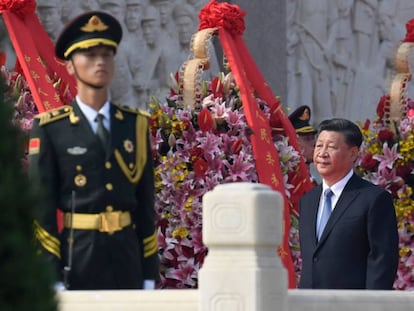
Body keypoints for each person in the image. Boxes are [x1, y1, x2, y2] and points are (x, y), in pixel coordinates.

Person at [28, 11, 159, 290]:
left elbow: (146, 206)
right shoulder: (51, 129)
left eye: (107, 54)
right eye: (89, 54)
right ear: (71, 66)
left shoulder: (134, 125)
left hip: (127, 259)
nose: (100, 62)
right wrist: (51, 278)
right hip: (78, 257)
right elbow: (42, 209)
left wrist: (149, 273)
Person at [298, 118, 399, 289]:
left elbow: (382, 261)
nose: (322, 153)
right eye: (318, 145)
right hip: (310, 302)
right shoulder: (308, 200)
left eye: (331, 147)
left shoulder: (373, 199)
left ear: (353, 153)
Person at [288, 105, 321, 185]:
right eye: (307, 139)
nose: (315, 144)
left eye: (313, 138)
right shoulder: (290, 182)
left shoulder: (311, 181)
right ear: (292, 143)